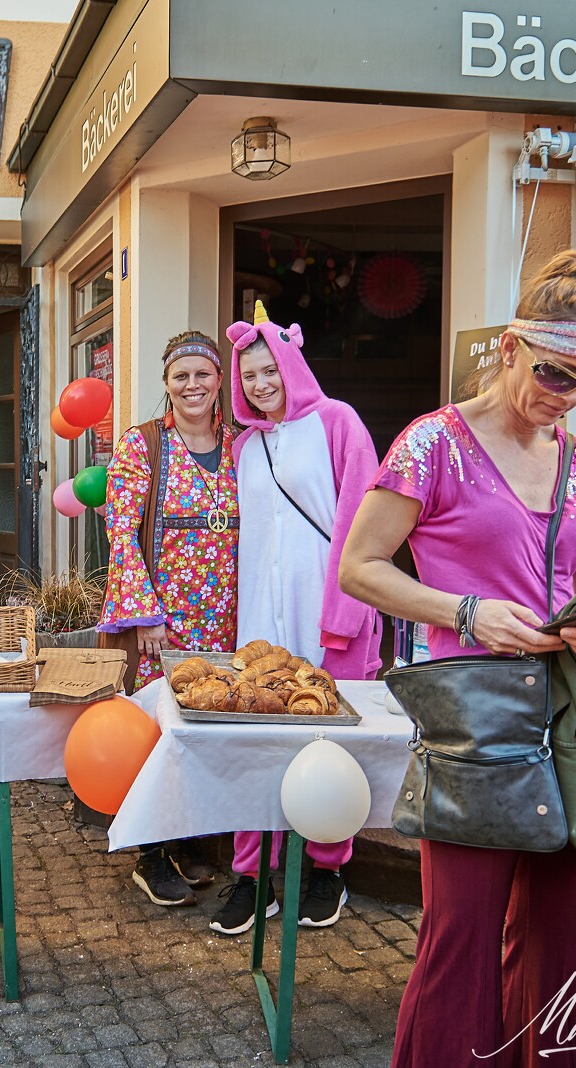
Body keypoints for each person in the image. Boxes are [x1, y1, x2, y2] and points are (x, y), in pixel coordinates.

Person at [339, 250, 576, 1068]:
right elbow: (359, 568)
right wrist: (467, 612)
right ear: (509, 347)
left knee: (559, 941)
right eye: (556, 373)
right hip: (475, 721)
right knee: (459, 938)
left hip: (573, 721)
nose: (567, 397)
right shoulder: (434, 443)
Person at [210, 300, 381, 936]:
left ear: (291, 365)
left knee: (328, 745)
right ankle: (253, 876)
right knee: (255, 744)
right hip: (261, 624)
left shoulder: (338, 423)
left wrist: (345, 615)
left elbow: (364, 523)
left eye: (269, 371)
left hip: (324, 617)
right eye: (248, 375)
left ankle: (326, 868)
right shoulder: (246, 446)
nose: (260, 384)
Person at [98, 330, 238, 907]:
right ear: (166, 384)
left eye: (202, 374)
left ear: (219, 379)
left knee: (202, 724)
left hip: (225, 615)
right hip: (164, 614)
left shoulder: (241, 444)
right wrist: (145, 615)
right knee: (154, 727)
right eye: (181, 376)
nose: (192, 385)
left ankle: (183, 836)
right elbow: (122, 531)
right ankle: (149, 853)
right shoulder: (143, 444)